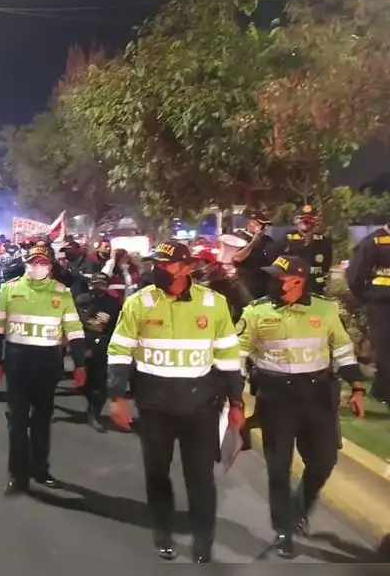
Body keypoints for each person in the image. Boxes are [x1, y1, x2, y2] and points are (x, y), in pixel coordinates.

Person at [106, 240, 243, 563]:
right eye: (157, 263)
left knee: (200, 478)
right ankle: (163, 531)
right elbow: (120, 351)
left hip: (200, 407)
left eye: (167, 264)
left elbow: (227, 357)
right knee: (157, 473)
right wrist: (116, 398)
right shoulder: (139, 302)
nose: (159, 269)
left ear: (186, 267)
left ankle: (203, 540)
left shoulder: (214, 304)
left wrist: (236, 401)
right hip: (155, 407)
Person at [238, 254, 366, 557]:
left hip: (318, 395)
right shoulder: (256, 312)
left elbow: (343, 348)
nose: (272, 282)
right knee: (278, 467)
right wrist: (233, 394)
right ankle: (283, 528)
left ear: (298, 280)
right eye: (271, 276)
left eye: (278, 278)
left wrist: (357, 386)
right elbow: (238, 353)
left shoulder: (325, 309)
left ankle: (300, 506)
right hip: (276, 397)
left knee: (324, 461)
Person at [0, 241, 86, 495]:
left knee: (43, 420)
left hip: (47, 365)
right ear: (26, 264)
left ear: (50, 266)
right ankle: (16, 475)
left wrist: (80, 364)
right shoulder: (9, 290)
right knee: (17, 422)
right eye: (33, 262)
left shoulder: (62, 293)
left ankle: (40, 470)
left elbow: (74, 331)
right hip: (18, 363)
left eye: (43, 262)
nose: (37, 266)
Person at [345, 223, 390, 404]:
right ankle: (385, 393)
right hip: (381, 303)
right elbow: (355, 275)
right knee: (385, 348)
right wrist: (366, 298)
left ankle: (380, 390)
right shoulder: (374, 241)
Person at [75, 272, 121, 432]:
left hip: (102, 346)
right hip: (80, 344)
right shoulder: (81, 300)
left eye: (102, 284)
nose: (98, 288)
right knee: (83, 383)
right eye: (96, 284)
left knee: (100, 384)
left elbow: (115, 326)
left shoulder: (113, 304)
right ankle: (89, 405)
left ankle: (94, 413)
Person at [269, 204, 333, 295]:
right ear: (296, 220)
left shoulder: (323, 242)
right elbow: (273, 260)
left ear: (316, 221)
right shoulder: (286, 239)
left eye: (310, 219)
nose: (306, 222)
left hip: (315, 289)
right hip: (291, 289)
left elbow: (326, 267)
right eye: (302, 219)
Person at [232, 210, 275, 299]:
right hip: (246, 283)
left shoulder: (268, 240)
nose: (265, 228)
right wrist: (252, 243)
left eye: (267, 226)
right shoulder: (238, 237)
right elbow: (237, 258)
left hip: (265, 283)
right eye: (262, 225)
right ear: (251, 223)